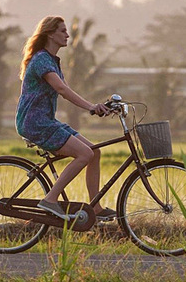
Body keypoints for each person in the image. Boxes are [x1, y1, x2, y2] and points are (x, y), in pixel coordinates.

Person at [15, 15, 116, 221]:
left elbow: (67, 88)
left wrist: (99, 106)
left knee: (94, 152)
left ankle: (94, 208)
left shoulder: (52, 60)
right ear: (50, 34)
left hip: (46, 121)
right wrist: (90, 107)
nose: (67, 34)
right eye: (62, 31)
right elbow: (61, 89)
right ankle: (50, 200)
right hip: (35, 123)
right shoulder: (41, 59)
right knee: (85, 154)